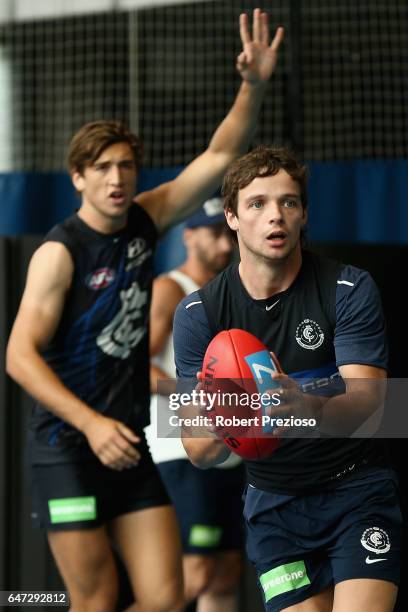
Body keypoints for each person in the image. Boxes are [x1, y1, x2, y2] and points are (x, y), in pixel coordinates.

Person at [5, 11, 284, 612]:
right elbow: (18, 358)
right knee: (97, 599)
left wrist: (253, 85)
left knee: (163, 598)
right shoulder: (59, 253)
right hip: (69, 446)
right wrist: (91, 425)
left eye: (126, 166)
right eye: (102, 167)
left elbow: (219, 154)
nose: (116, 177)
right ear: (78, 177)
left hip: (129, 445)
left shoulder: (145, 219)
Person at [173, 146, 402, 612]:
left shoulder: (347, 288)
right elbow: (197, 451)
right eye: (257, 203)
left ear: (303, 216)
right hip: (274, 507)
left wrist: (309, 409)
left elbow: (371, 403)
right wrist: (226, 416)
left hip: (355, 492)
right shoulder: (200, 314)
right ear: (232, 217)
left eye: (289, 202)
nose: (275, 215)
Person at [145, 197, 245, 612]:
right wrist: (198, 391)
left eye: (228, 232)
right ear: (188, 235)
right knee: (196, 572)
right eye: (213, 232)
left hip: (230, 452)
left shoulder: (233, 295)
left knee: (225, 575)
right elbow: (136, 370)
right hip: (179, 448)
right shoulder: (170, 289)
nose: (224, 243)